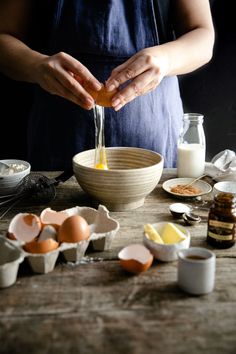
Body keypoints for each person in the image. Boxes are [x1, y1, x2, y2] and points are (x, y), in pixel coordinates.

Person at [0, 0, 215, 170]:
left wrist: (166, 59)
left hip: (154, 136)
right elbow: (4, 36)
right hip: (60, 136)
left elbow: (203, 35)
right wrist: (37, 66)